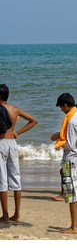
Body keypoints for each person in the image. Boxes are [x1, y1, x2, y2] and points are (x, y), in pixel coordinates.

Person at [54, 93, 77, 234]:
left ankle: (74, 226)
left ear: (65, 105)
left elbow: (68, 142)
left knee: (71, 193)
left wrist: (56, 139)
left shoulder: (71, 120)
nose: (62, 111)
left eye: (61, 108)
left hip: (71, 158)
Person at [0, 84, 37, 223]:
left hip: (1, 143)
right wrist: (17, 133)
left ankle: (5, 216)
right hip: (13, 144)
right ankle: (16, 214)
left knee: (2, 180)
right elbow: (33, 121)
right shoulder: (15, 109)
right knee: (16, 178)